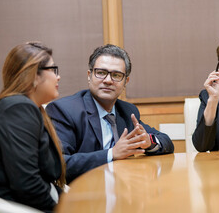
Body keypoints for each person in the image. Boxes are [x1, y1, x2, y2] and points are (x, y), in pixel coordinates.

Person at [46, 44, 174, 183]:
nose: (107, 80)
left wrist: (149, 142)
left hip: (124, 189)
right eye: (101, 73)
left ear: (126, 81)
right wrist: (111, 154)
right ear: (89, 75)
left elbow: (166, 141)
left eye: (116, 75)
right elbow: (60, 163)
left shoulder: (127, 111)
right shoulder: (65, 110)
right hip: (86, 194)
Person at [0, 42, 66, 212]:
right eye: (53, 70)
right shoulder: (18, 108)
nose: (58, 77)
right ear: (34, 76)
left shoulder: (25, 108)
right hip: (1, 202)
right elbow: (27, 184)